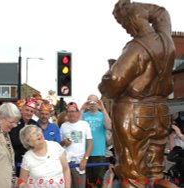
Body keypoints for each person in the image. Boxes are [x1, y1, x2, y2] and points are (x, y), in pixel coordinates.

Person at [99, 0, 176, 187]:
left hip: (134, 114)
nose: (127, 30)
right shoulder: (167, 40)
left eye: (126, 25)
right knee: (156, 174)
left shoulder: (137, 47)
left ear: (133, 21)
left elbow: (115, 80)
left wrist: (105, 86)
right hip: (160, 112)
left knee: (132, 176)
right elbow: (161, 13)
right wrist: (134, 8)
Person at [80, 94, 112, 188]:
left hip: (99, 154)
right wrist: (82, 109)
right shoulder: (84, 116)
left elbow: (109, 126)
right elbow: (76, 126)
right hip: (85, 154)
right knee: (87, 182)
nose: (93, 104)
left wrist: (103, 108)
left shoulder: (102, 115)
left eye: (95, 102)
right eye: (90, 102)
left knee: (99, 182)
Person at [60, 102, 93, 188]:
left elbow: (90, 144)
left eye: (73, 111)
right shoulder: (63, 126)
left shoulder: (84, 124)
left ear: (78, 112)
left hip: (79, 162)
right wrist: (64, 142)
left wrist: (85, 160)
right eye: (69, 111)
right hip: (66, 162)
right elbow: (59, 145)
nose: (71, 114)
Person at [9, 100, 39, 176]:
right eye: (27, 110)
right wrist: (29, 141)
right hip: (16, 161)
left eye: (31, 111)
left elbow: (37, 142)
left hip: (31, 161)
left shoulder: (34, 124)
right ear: (22, 110)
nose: (29, 113)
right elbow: (14, 141)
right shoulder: (15, 121)